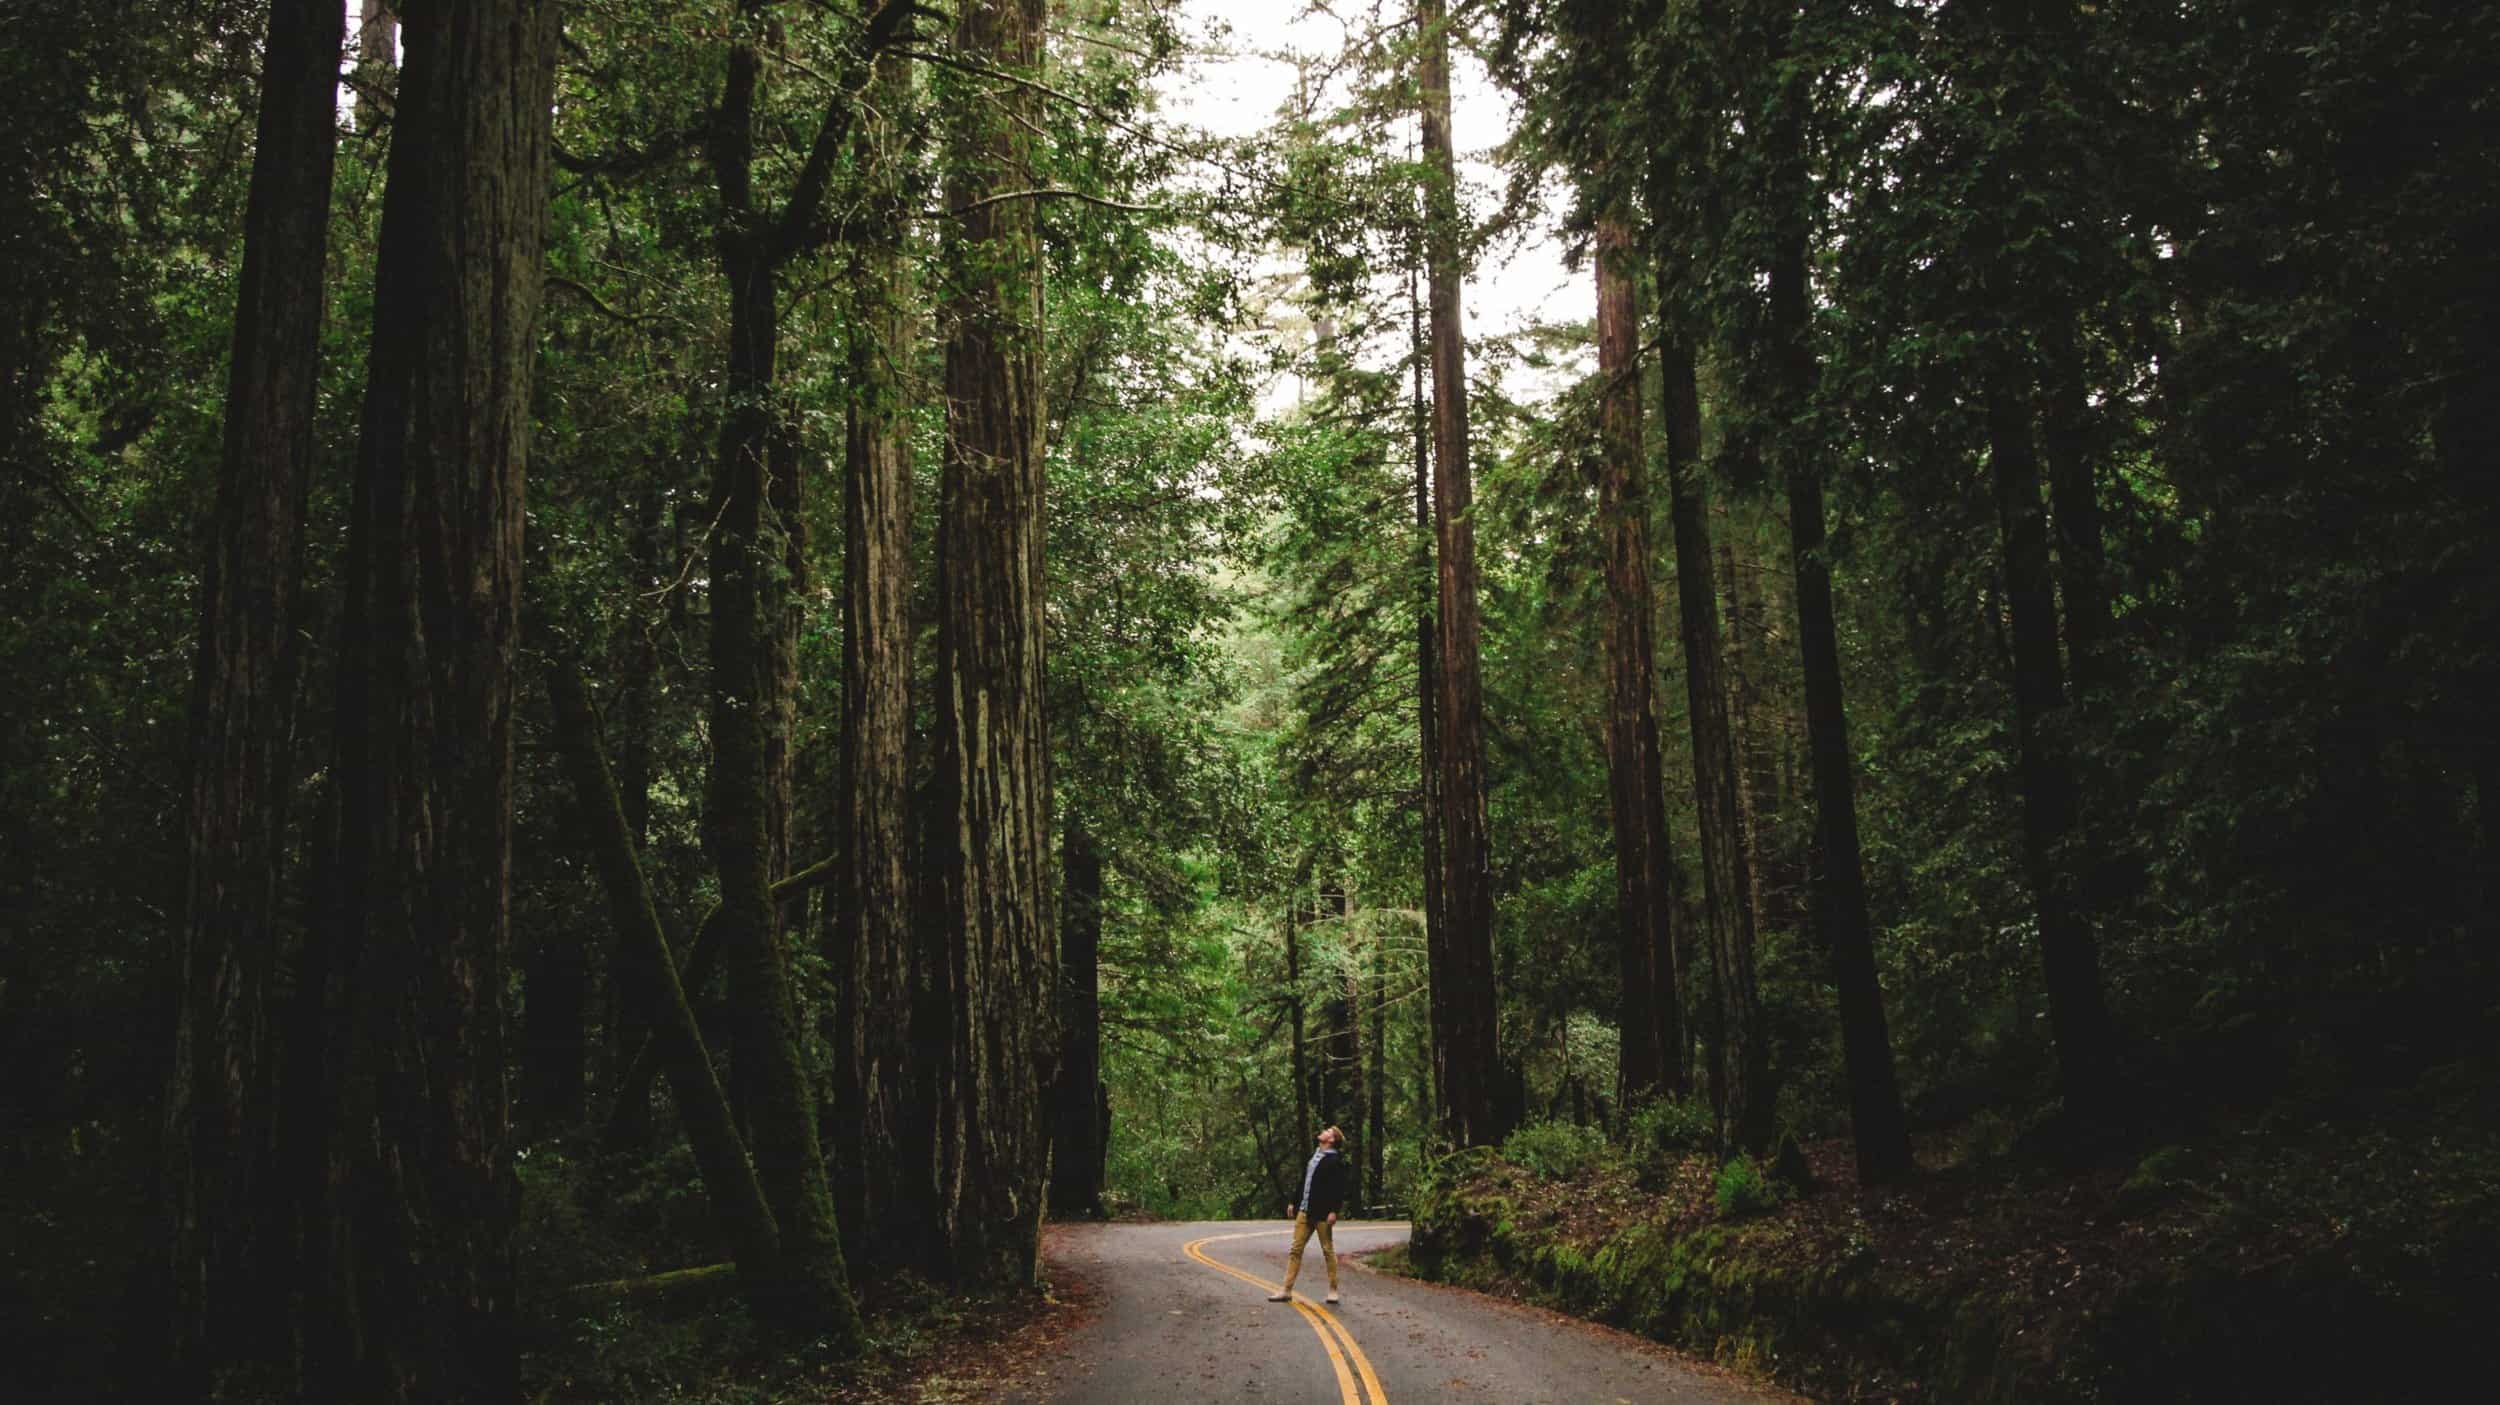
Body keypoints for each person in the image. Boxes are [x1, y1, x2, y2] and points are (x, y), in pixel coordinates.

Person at [1268, 1124, 1350, 1304]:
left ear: (1332, 1140)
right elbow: (1304, 1181)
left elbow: (1339, 1188)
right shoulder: (1314, 1156)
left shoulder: (1335, 1160)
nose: (1323, 1131)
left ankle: (1333, 1290)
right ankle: (1286, 1290)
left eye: (1328, 1131)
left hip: (1322, 1213)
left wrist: (1334, 1211)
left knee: (1327, 1250)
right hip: (1304, 1210)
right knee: (1295, 1249)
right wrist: (1293, 1201)